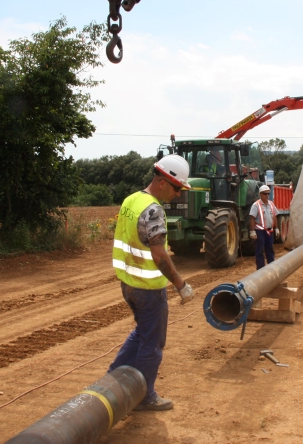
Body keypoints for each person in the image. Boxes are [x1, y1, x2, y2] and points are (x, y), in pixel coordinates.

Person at [108, 154, 195, 411]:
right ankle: (145, 396)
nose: (178, 194)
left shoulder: (131, 200)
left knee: (142, 333)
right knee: (153, 343)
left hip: (129, 284)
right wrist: (180, 284)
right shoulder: (154, 210)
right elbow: (159, 255)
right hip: (148, 288)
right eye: (177, 188)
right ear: (162, 182)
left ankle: (114, 375)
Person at [249, 184, 278, 269]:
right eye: (265, 193)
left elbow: (275, 216)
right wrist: (252, 231)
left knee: (270, 250)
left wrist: (276, 228)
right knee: (260, 251)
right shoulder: (256, 205)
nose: (267, 195)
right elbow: (252, 218)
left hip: (269, 231)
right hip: (260, 231)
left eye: (268, 193)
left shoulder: (271, 204)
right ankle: (261, 270)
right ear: (260, 194)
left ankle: (271, 268)